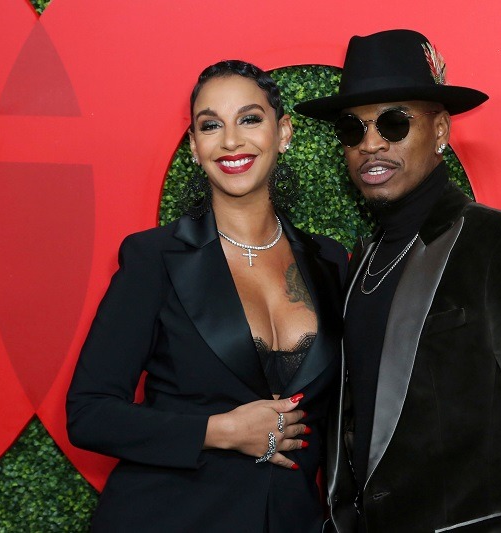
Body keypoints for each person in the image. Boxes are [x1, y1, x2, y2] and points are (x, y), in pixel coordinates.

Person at [294, 30, 501, 532]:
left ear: (440, 129)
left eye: (394, 122)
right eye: (353, 129)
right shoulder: (364, 262)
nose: (371, 144)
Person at [67, 60, 347, 532]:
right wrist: (219, 431)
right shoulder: (155, 258)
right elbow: (89, 412)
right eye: (211, 125)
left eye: (249, 119)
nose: (231, 140)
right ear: (195, 147)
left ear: (283, 132)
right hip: (168, 516)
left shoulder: (331, 262)